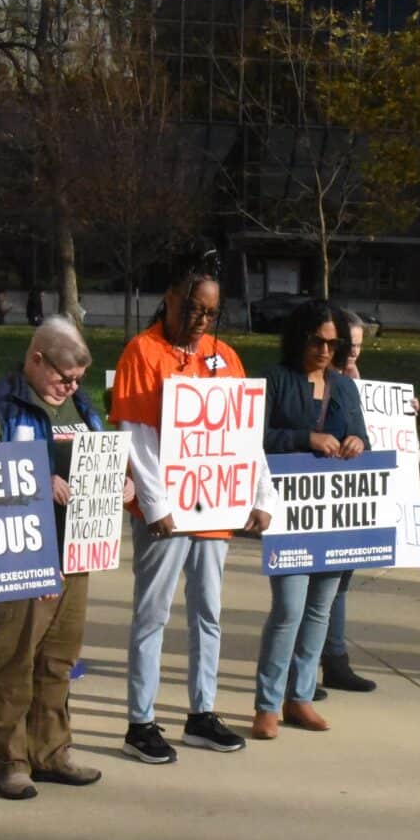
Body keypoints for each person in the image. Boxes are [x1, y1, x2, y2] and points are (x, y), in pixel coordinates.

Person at [112, 260, 280, 763]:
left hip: (214, 507)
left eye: (210, 311)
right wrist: (157, 502)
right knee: (153, 614)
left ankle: (201, 713)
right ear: (169, 298)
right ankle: (141, 721)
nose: (201, 319)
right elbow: (136, 436)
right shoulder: (143, 353)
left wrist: (261, 495)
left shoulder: (224, 356)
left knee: (208, 611)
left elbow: (242, 436)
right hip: (166, 511)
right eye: (193, 307)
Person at [0, 317, 120, 795]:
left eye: (79, 378)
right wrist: (34, 479)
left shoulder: (80, 404)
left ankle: (51, 750)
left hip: (75, 548)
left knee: (59, 659)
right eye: (64, 376)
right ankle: (7, 758)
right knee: (15, 659)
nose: (72, 385)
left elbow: (99, 454)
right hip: (24, 551)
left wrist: (117, 481)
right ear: (36, 359)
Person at [252, 300, 369, 738]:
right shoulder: (275, 380)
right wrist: (307, 438)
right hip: (289, 508)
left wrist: (357, 440)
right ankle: (267, 703)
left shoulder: (344, 387)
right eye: (317, 341)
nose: (324, 350)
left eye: (332, 343)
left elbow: (364, 436)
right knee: (288, 608)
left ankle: (300, 697)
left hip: (335, 512)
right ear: (299, 337)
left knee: (320, 608)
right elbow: (257, 436)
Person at [321, 306, 380, 693]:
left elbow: (366, 435)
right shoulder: (322, 383)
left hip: (347, 498)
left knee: (341, 583)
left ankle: (335, 658)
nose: (354, 351)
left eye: (360, 345)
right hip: (317, 496)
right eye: (350, 344)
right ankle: (309, 664)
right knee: (314, 588)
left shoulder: (357, 384)